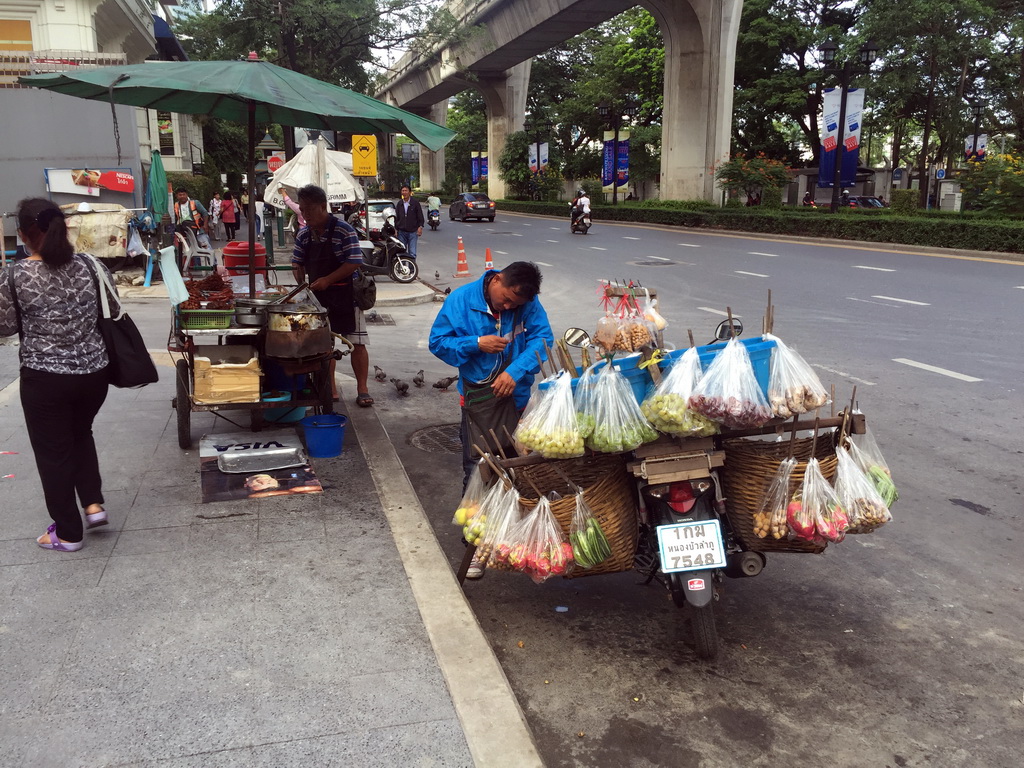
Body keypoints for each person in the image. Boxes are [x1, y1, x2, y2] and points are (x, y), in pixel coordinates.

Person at [0, 198, 115, 552]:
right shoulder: (91, 265)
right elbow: (109, 308)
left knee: (54, 452)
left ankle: (68, 533)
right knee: (81, 433)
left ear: (22, 234)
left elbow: (4, 328)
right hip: (94, 372)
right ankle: (93, 505)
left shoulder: (15, 275)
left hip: (45, 378)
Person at [428, 261, 553, 578]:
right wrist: (475, 343)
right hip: (479, 400)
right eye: (507, 300)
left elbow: (543, 338)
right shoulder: (460, 301)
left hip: (517, 396)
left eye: (517, 305)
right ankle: (475, 543)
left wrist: (515, 371)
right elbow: (438, 343)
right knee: (479, 468)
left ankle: (513, 537)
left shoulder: (528, 304)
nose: (510, 307)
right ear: (496, 280)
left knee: (520, 466)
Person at [291, 184, 373, 408]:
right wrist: (300, 281)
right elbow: (296, 261)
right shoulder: (304, 234)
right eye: (302, 210)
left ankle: (362, 389)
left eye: (309, 210)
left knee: (356, 343)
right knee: (324, 345)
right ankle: (331, 388)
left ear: (322, 206)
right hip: (318, 297)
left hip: (348, 293)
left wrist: (328, 279)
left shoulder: (343, 230)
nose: (305, 215)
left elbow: (354, 261)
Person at [393, 184, 424, 258]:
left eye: (406, 190)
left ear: (409, 192)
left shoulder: (415, 203)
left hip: (413, 232)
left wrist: (420, 227)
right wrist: (396, 229)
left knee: (412, 253)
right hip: (401, 232)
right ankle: (403, 268)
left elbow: (420, 216)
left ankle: (412, 269)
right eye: (403, 191)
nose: (404, 192)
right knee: (401, 252)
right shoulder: (400, 203)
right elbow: (397, 217)